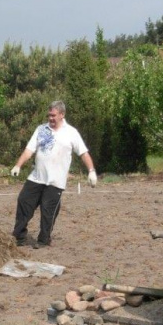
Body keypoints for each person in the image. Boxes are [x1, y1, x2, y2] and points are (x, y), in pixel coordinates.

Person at [10, 101, 97, 248]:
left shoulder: (71, 133)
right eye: (49, 115)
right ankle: (19, 236)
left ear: (62, 115)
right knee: (24, 201)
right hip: (37, 177)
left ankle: (43, 240)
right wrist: (18, 165)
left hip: (56, 181)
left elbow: (84, 153)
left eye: (53, 115)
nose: (50, 118)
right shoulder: (41, 129)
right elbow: (29, 150)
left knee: (48, 211)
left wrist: (91, 171)